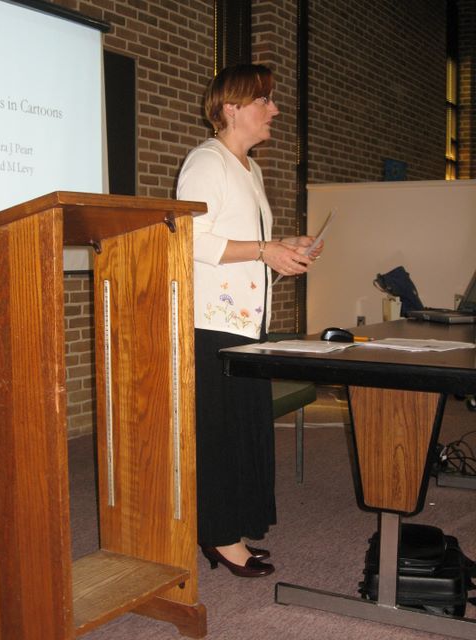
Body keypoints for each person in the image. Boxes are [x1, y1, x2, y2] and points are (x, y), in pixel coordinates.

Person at [177, 63, 323, 578]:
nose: (275, 110)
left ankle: (234, 528)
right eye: (264, 101)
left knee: (243, 428)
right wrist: (266, 248)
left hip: (245, 321)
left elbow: (244, 245)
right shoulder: (207, 161)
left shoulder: (250, 169)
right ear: (232, 108)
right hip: (212, 323)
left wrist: (284, 248)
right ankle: (218, 535)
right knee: (220, 432)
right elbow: (189, 237)